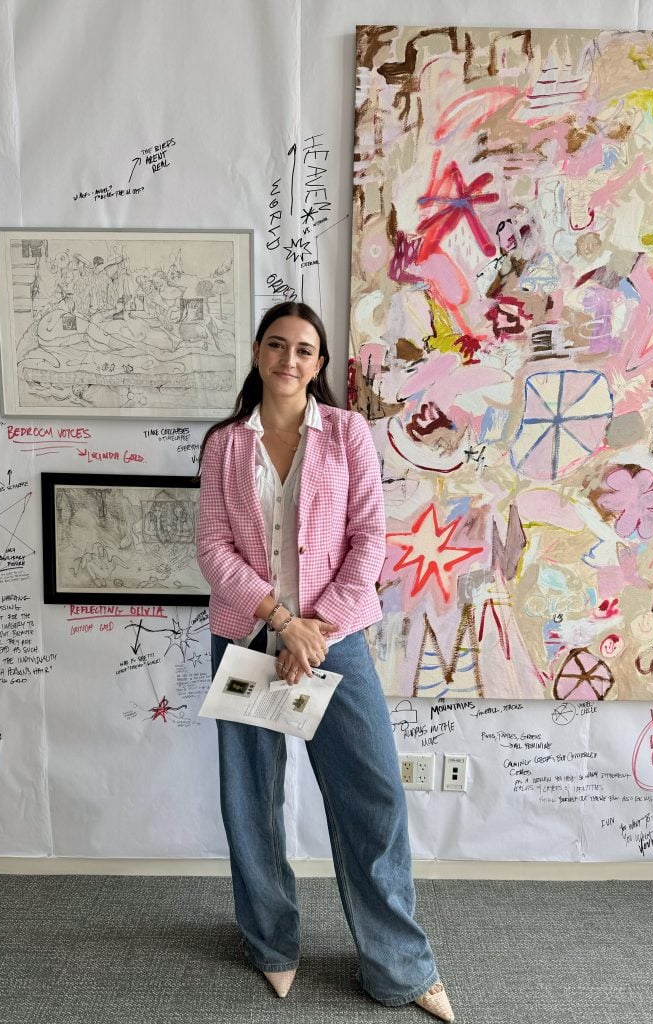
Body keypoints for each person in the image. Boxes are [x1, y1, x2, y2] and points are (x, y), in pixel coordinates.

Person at [197, 301, 454, 1022]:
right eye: (277, 345)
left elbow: (369, 539)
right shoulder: (224, 444)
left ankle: (398, 965)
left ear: (320, 363)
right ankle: (271, 945)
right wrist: (281, 623)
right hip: (247, 639)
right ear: (257, 352)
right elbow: (214, 549)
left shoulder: (346, 437)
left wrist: (316, 630)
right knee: (251, 801)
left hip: (335, 641)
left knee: (373, 796)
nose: (289, 359)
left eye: (305, 350)